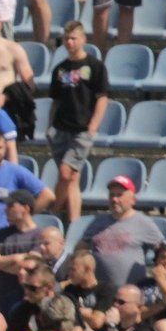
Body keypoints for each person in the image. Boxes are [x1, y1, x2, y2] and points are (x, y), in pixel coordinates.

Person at [48, 22, 109, 227]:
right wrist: (50, 125)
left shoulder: (95, 66)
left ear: (83, 39)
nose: (70, 42)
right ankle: (73, 223)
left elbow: (102, 97)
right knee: (70, 179)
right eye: (67, 38)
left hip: (81, 129)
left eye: (74, 38)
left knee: (66, 172)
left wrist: (93, 126)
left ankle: (54, 211)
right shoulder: (60, 69)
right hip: (61, 128)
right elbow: (55, 100)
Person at [79, 176, 166, 291]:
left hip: (130, 294)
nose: (114, 199)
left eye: (119, 195)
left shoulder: (143, 223)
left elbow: (164, 250)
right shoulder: (98, 221)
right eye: (111, 195)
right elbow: (80, 248)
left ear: (133, 200)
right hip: (99, 292)